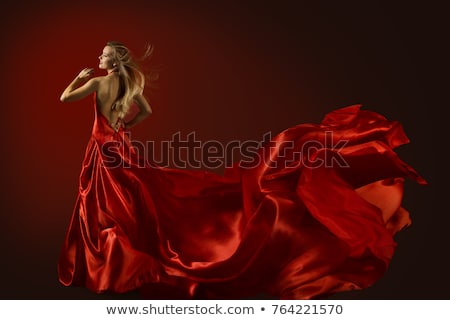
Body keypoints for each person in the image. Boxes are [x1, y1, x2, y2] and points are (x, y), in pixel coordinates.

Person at [58, 41, 427, 299]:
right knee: (133, 196)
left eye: (104, 54)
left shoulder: (98, 82)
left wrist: (78, 77)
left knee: (103, 202)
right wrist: (125, 128)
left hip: (103, 145)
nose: (100, 58)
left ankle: (106, 264)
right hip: (120, 143)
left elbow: (65, 98)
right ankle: (118, 255)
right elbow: (147, 112)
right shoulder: (130, 83)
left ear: (113, 59)